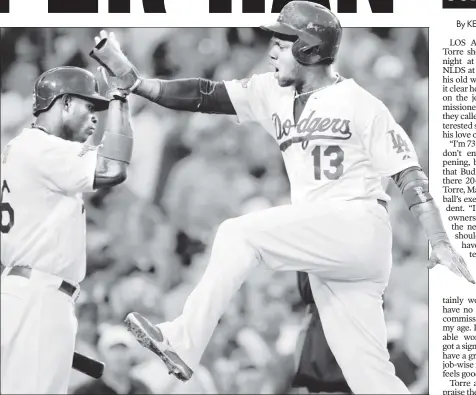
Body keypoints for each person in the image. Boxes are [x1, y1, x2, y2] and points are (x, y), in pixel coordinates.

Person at [89, 2, 474, 393]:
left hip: (356, 223)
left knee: (238, 233)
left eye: (283, 42)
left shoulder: (361, 104)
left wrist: (439, 237)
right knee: (370, 377)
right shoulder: (270, 91)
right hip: (332, 251)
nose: (272, 50)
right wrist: (139, 84)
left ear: (308, 49)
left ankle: (183, 341)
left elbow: (408, 172)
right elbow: (204, 95)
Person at [1, 66, 135, 394]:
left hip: (30, 294)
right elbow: (114, 168)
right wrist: (119, 96)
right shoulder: (41, 148)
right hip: (38, 297)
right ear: (63, 103)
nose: (94, 118)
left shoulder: (28, 150)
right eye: (89, 107)